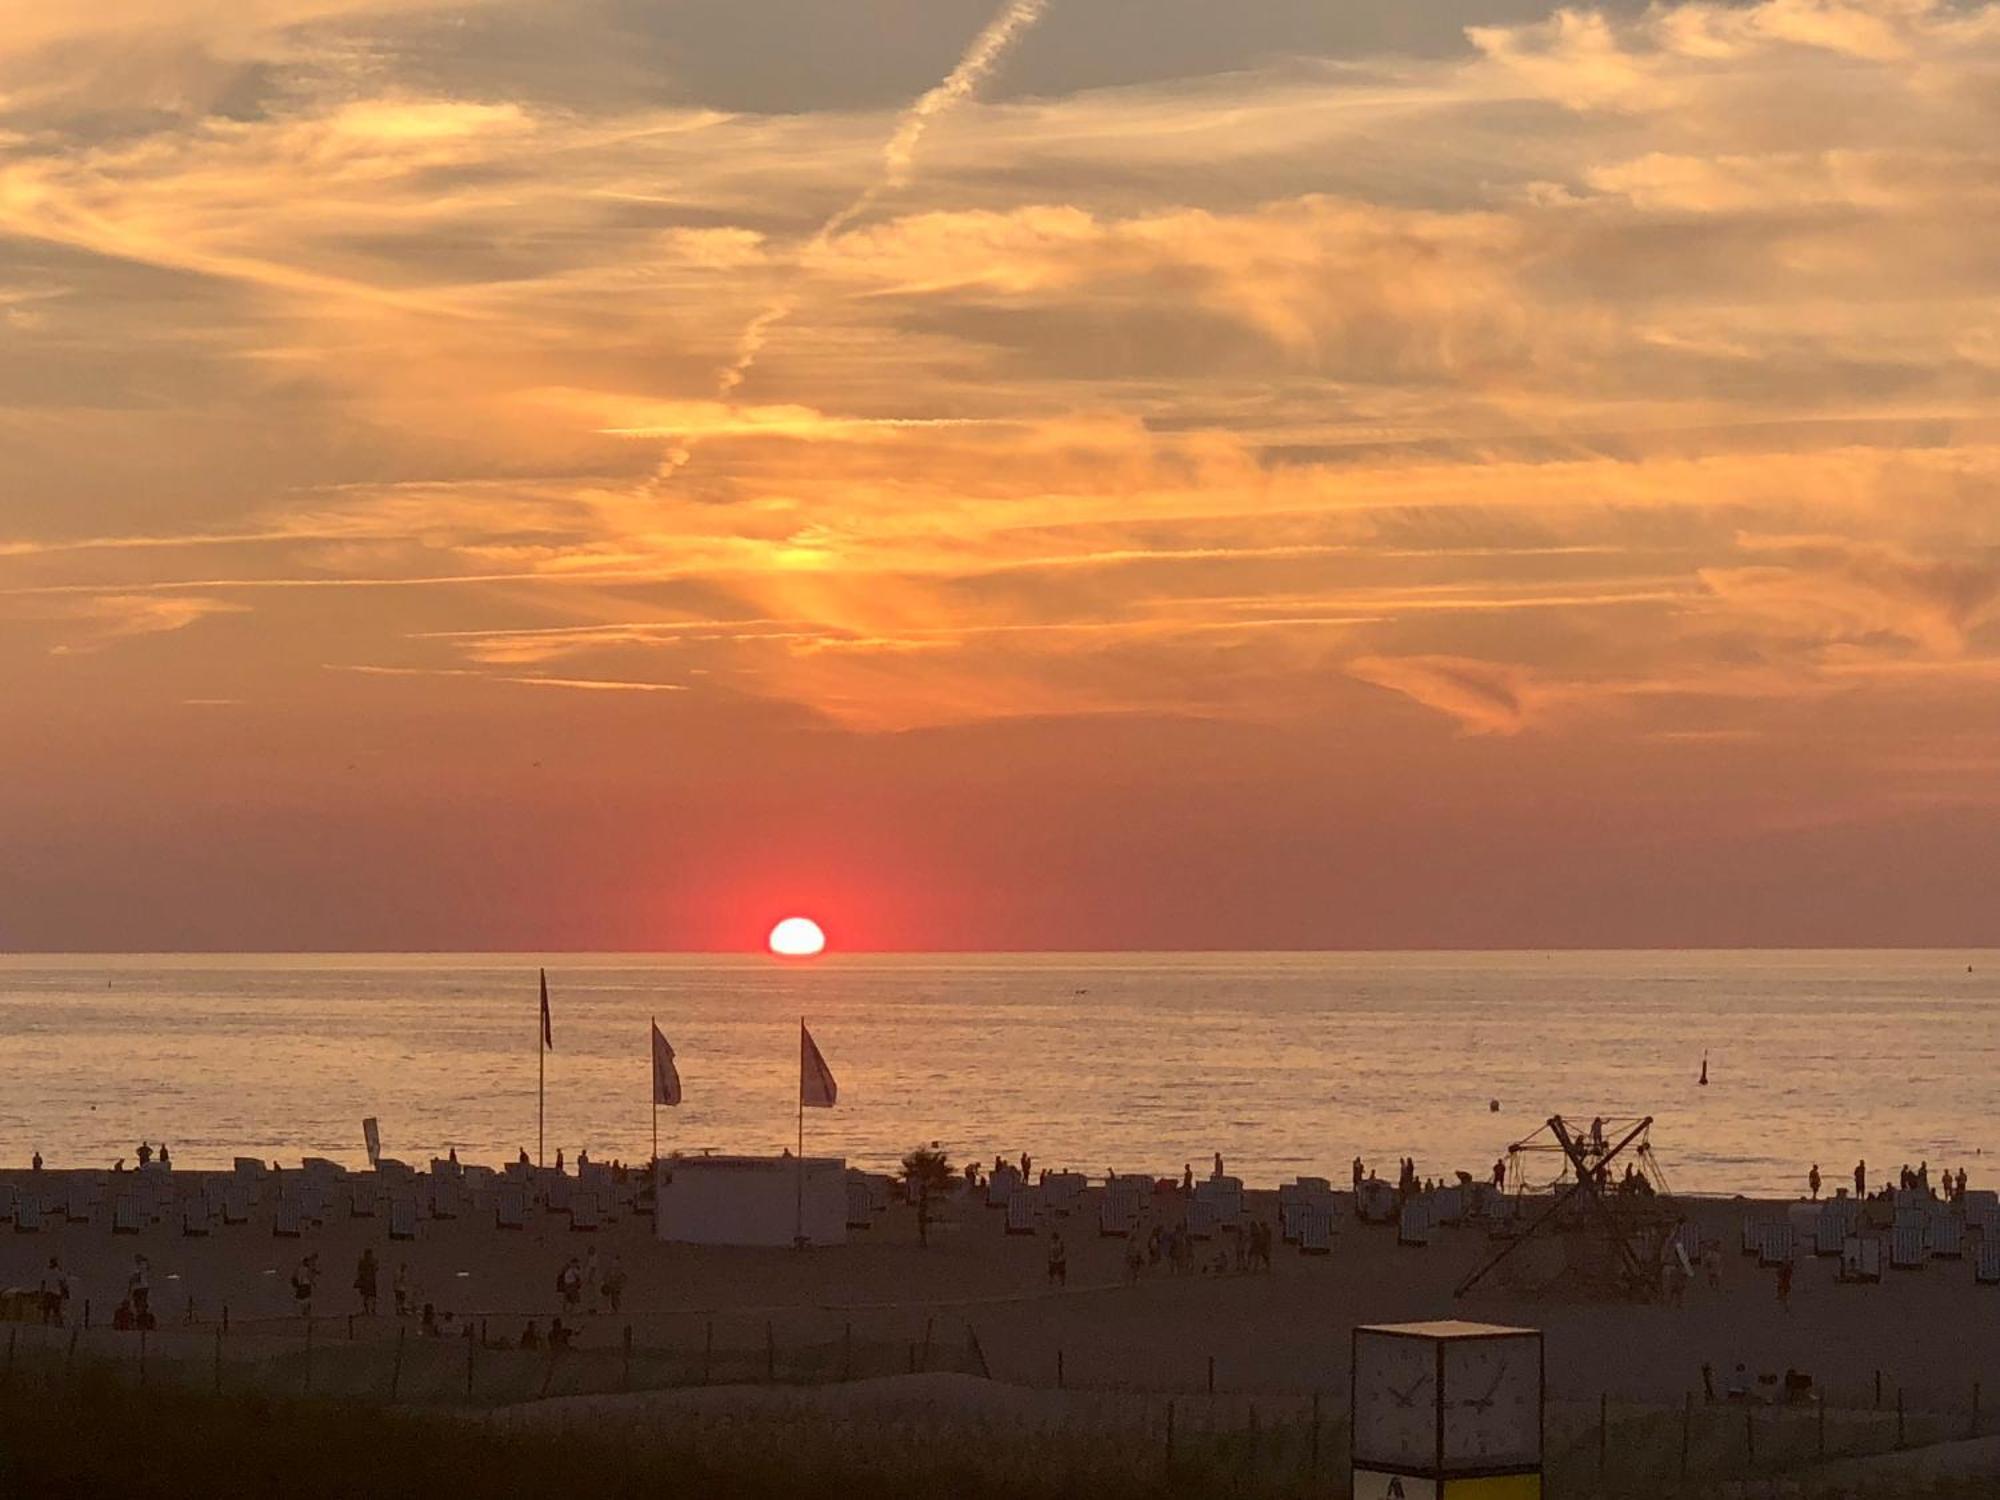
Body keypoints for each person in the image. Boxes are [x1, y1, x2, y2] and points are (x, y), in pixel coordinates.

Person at [40, 1257, 67, 1327]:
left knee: (46, 1310)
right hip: (55, 1294)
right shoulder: (58, 1272)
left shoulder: (45, 1271)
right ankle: (59, 1325)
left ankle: (45, 1324)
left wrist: (42, 1293)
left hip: (47, 1293)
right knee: (56, 1310)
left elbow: (43, 1283)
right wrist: (64, 1294)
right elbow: (62, 1283)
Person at [292, 1253, 318, 1319]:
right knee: (306, 1299)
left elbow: (295, 1276)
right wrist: (313, 1283)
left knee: (302, 1299)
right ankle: (306, 1312)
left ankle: (304, 1312)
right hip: (305, 1285)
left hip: (301, 1286)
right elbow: (309, 1276)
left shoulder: (300, 1268)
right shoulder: (305, 1269)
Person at [354, 1248, 379, 1316]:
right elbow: (360, 1271)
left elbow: (376, 1269)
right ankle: (369, 1310)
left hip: (369, 1281)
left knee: (370, 1296)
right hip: (367, 1281)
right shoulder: (366, 1262)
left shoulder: (369, 1261)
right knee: (368, 1296)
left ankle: (371, 1310)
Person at [129, 1254, 152, 1324]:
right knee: (139, 1302)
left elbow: (135, 1278)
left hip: (140, 1288)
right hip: (141, 1288)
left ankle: (141, 1316)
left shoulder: (139, 1269)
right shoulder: (141, 1268)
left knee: (139, 1302)